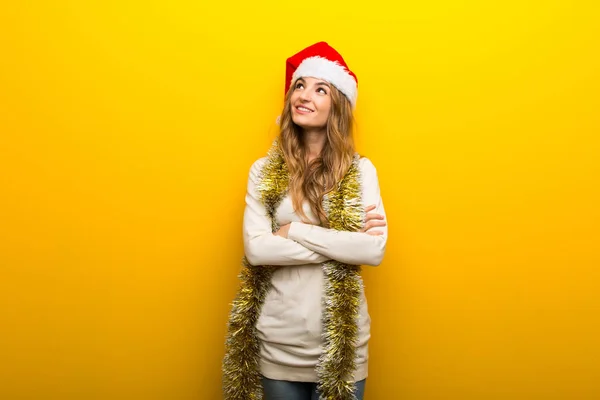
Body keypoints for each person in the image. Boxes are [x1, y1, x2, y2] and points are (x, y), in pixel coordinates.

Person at [223, 42, 388, 400]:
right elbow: (256, 250)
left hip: (341, 346)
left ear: (338, 104)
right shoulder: (263, 172)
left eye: (320, 89)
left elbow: (372, 250)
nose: (304, 95)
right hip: (279, 339)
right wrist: (343, 242)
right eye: (300, 85)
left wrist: (293, 231)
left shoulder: (361, 171)